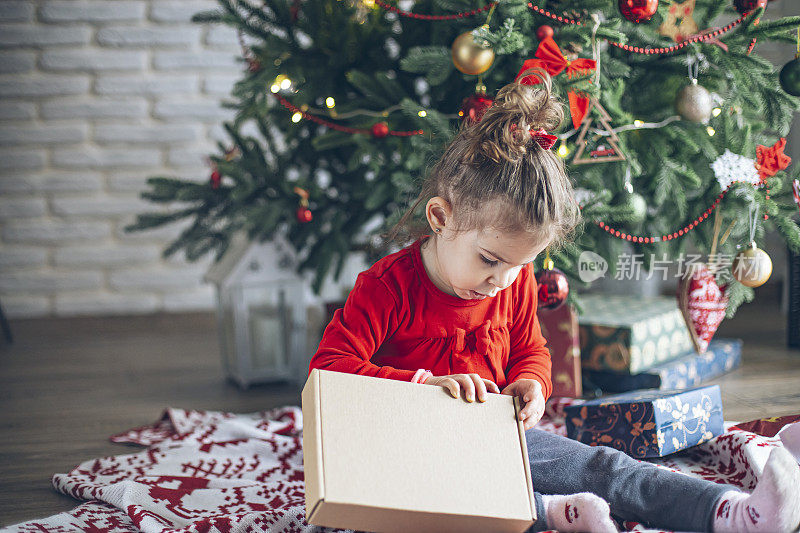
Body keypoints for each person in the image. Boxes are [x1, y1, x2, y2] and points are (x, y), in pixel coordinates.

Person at [306, 68, 800, 533]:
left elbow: (531, 349)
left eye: (519, 265)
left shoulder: (513, 282)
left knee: (603, 465)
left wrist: (531, 383)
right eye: (488, 260)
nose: (500, 282)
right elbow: (327, 373)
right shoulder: (387, 286)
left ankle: (729, 514)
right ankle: (547, 510)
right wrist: (425, 385)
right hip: (401, 447)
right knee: (435, 495)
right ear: (440, 217)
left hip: (493, 439)